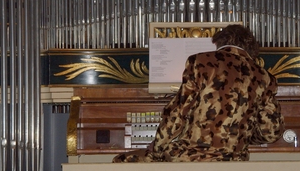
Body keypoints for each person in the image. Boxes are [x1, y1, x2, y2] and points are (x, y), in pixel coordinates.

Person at [113, 24, 284, 162]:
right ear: (251, 49)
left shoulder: (201, 62)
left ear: (218, 42)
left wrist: (157, 148)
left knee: (121, 161)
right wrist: (242, 136)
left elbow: (179, 113)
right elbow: (271, 132)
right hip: (234, 160)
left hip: (191, 157)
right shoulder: (265, 77)